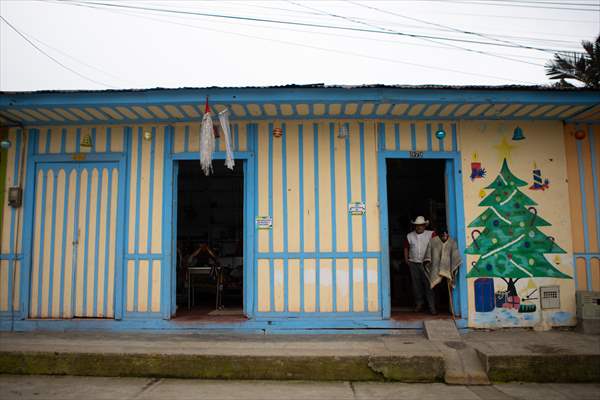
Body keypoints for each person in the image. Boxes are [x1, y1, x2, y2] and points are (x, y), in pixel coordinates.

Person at [404, 216, 437, 315]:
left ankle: (432, 307)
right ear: (415, 226)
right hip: (414, 263)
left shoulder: (431, 234)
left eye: (421, 225)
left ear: (424, 226)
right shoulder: (409, 235)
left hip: (427, 263)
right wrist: (406, 259)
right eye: (417, 226)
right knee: (416, 285)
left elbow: (436, 246)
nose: (419, 227)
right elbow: (406, 247)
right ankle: (419, 304)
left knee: (429, 285)